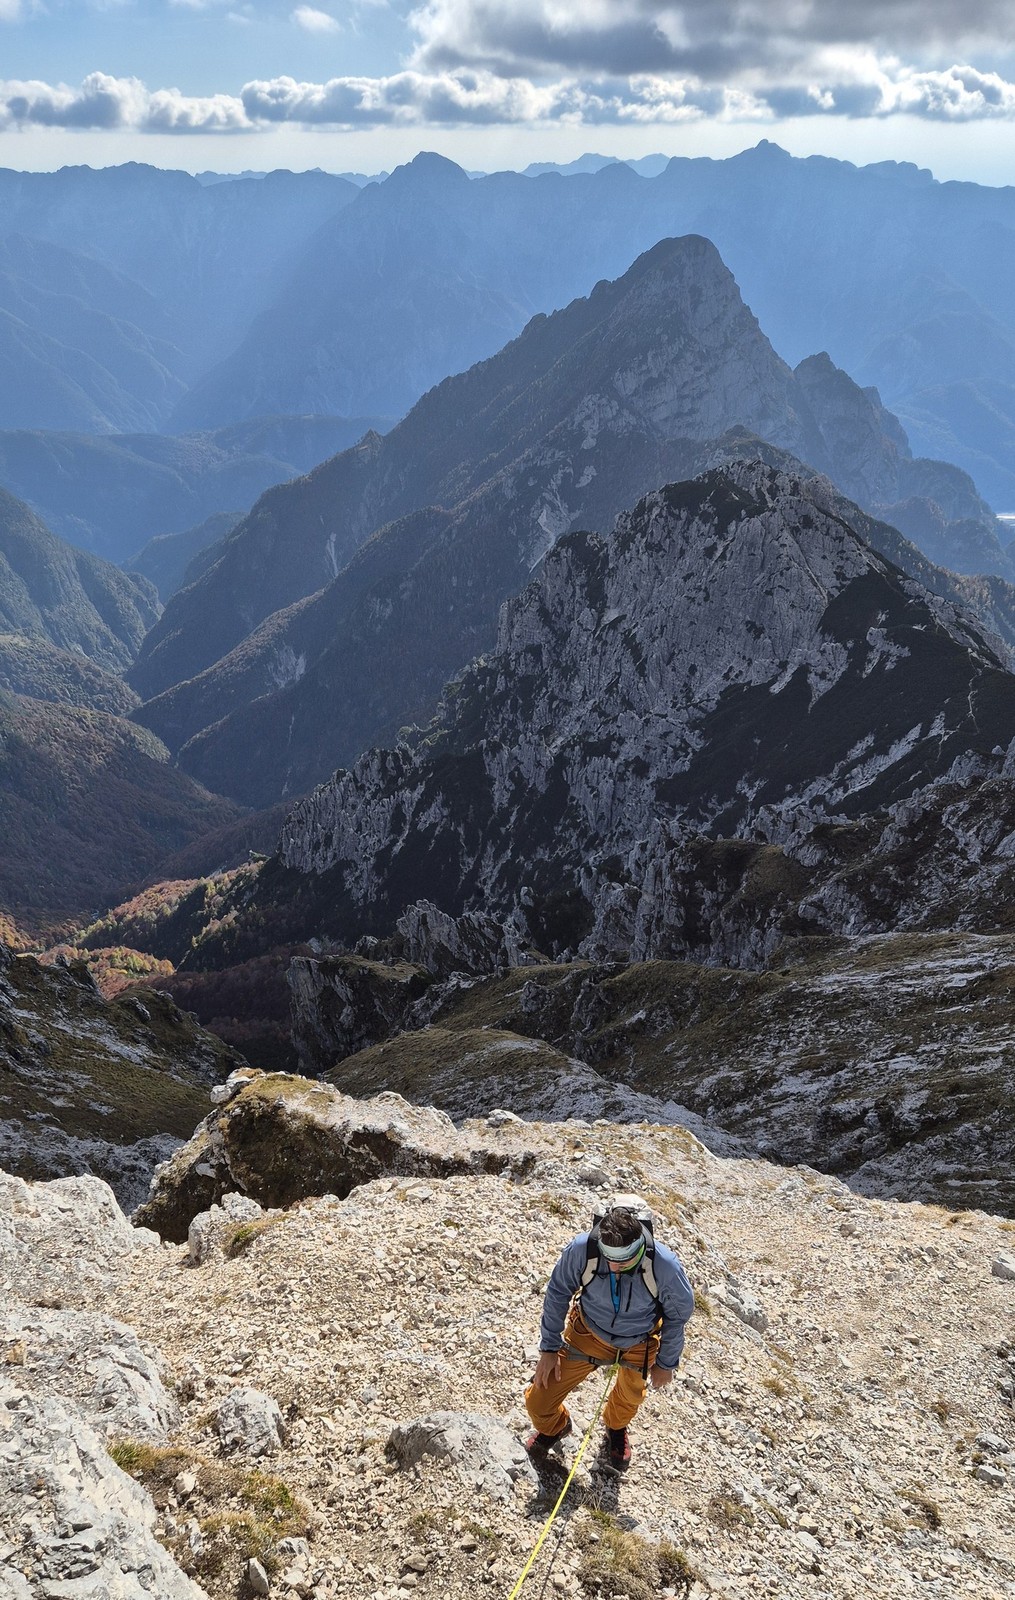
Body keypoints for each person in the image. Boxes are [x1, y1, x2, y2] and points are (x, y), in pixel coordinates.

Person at [524, 1201, 695, 1470]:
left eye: (624, 1260)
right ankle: (555, 1427)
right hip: (587, 1332)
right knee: (539, 1400)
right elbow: (558, 1293)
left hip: (640, 1341)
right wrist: (549, 1349)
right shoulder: (583, 1250)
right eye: (609, 1259)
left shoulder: (664, 1265)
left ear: (639, 1246)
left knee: (630, 1396)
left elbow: (677, 1316)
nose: (615, 1267)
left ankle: (616, 1428)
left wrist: (666, 1363)